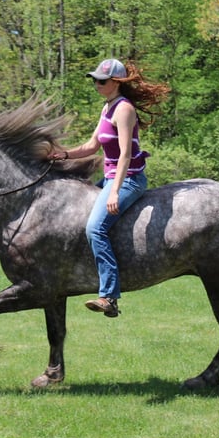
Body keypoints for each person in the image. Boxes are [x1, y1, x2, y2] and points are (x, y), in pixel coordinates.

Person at [49, 58, 170, 318]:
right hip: (112, 178)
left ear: (116, 82)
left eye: (101, 81)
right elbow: (92, 146)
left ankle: (109, 296)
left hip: (128, 179)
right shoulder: (107, 107)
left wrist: (114, 191)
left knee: (96, 227)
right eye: (94, 80)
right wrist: (63, 155)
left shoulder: (124, 109)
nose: (96, 84)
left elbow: (126, 154)